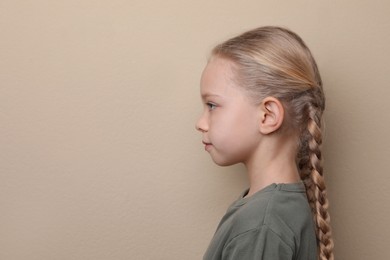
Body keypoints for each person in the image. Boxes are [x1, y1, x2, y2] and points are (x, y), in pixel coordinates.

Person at [195, 26, 334, 260]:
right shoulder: (269, 210)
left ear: (267, 116)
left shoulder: (261, 226)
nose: (200, 123)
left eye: (212, 105)